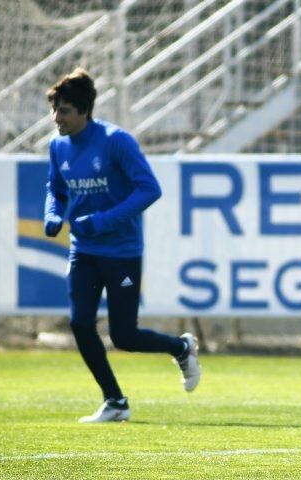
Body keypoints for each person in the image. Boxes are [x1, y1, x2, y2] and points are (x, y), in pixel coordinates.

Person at [43, 68, 202, 423]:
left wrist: (101, 221)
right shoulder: (57, 145)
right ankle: (115, 400)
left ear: (84, 111)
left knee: (124, 336)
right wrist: (53, 213)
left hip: (121, 251)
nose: (57, 118)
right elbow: (56, 188)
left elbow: (149, 189)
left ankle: (181, 347)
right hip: (82, 250)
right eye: (55, 110)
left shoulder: (117, 141)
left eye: (64, 110)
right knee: (81, 324)